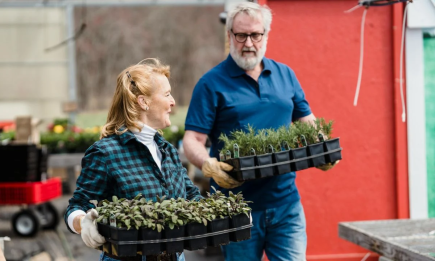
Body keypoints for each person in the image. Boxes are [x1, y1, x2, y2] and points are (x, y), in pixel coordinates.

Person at [183, 2, 338, 261]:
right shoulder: (210, 83)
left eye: (256, 34)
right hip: (235, 209)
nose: (248, 43)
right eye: (241, 35)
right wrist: (208, 164)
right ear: (230, 35)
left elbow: (307, 122)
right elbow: (192, 140)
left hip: (285, 203)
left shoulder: (285, 75)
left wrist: (321, 149)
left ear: (266, 34)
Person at [64, 58, 201, 261]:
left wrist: (232, 214)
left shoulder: (167, 150)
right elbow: (76, 206)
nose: (173, 101)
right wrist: (83, 222)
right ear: (143, 102)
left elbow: (192, 198)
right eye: (166, 94)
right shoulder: (105, 153)